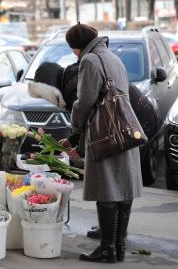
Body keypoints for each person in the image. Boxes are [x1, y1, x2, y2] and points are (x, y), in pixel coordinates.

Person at [64, 23, 143, 263]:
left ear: (77, 47)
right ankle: (118, 246)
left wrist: (75, 132)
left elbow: (85, 101)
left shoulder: (89, 61)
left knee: (106, 190)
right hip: (124, 129)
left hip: (104, 134)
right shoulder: (112, 57)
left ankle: (107, 249)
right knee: (122, 189)